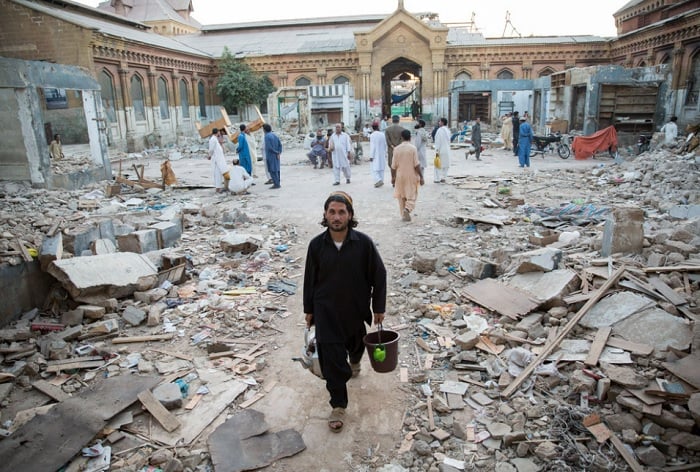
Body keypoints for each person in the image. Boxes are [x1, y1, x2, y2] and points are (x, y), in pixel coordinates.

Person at [303, 191, 386, 433]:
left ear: (350, 215)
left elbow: (379, 275)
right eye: (332, 212)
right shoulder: (316, 246)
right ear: (325, 215)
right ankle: (338, 404)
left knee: (356, 344)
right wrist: (309, 309)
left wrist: (378, 307)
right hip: (325, 311)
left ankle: (356, 359)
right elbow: (310, 280)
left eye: (341, 212)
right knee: (332, 362)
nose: (336, 217)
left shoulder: (363, 244)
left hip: (354, 309)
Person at [391, 129, 424, 221]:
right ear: (410, 137)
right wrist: (421, 176)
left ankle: (403, 214)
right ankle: (407, 209)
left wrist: (393, 177)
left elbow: (393, 166)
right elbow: (416, 164)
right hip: (411, 175)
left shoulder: (396, 149)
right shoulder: (413, 148)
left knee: (402, 196)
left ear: (401, 137)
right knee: (412, 195)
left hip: (400, 175)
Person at [384, 115, 404, 185]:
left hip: (391, 150)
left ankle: (393, 179)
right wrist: (398, 146)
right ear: (399, 120)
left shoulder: (387, 129)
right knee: (400, 165)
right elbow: (403, 139)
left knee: (392, 165)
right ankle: (399, 181)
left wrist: (392, 146)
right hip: (400, 150)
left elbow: (387, 140)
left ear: (392, 120)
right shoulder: (402, 129)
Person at [263, 123, 282, 189]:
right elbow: (280, 144)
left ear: (264, 130)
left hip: (271, 155)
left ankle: (276, 184)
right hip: (276, 155)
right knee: (277, 169)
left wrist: (275, 152)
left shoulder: (267, 136)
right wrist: (279, 152)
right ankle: (278, 182)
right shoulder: (275, 135)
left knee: (272, 170)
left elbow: (269, 147)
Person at [209, 128, 228, 193]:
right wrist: (209, 155)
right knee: (217, 174)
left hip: (218, 159)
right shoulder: (213, 140)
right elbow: (211, 149)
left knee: (219, 173)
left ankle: (218, 187)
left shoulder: (215, 139)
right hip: (216, 159)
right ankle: (218, 188)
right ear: (217, 132)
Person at [368, 122, 387, 187]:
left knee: (374, 168)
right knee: (381, 168)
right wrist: (385, 152)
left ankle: (378, 180)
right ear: (378, 127)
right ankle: (381, 180)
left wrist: (371, 156)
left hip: (375, 154)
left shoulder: (372, 135)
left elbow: (372, 146)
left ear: (372, 128)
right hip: (382, 153)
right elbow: (385, 144)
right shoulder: (382, 134)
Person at [433, 117, 451, 183]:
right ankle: (443, 177)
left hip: (440, 149)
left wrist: (437, 150)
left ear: (442, 123)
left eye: (439, 121)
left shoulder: (440, 130)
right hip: (447, 149)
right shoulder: (448, 130)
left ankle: (437, 179)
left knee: (438, 164)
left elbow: (438, 141)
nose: (439, 123)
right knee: (445, 164)